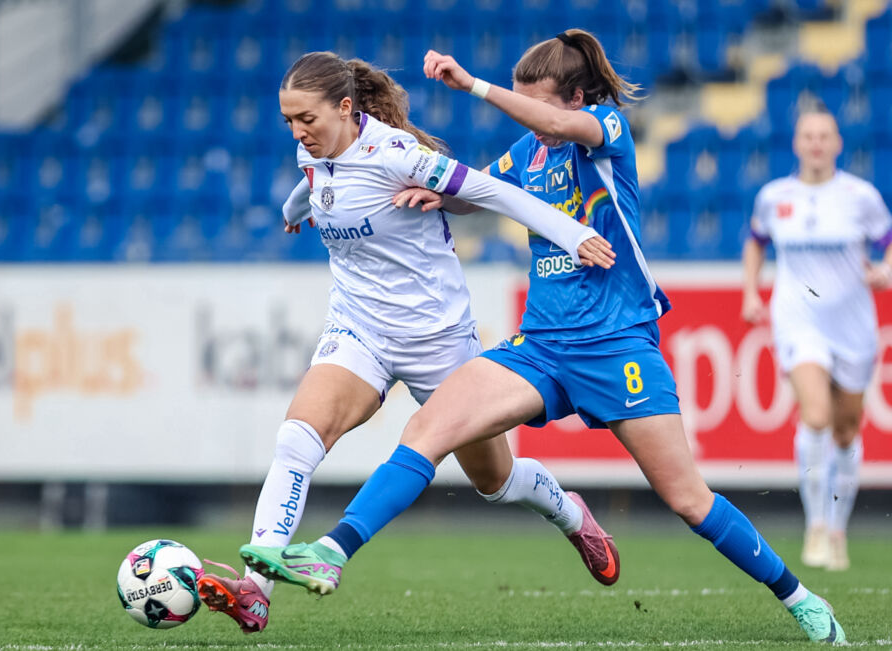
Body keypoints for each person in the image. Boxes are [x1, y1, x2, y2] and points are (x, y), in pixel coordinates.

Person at [240, 31, 848, 645]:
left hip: (617, 348)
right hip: (541, 348)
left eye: (542, 109)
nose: (534, 124)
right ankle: (332, 551)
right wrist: (434, 190)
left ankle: (798, 595)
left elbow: (554, 137)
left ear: (576, 99)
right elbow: (482, 189)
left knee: (689, 500)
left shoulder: (606, 131)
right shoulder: (531, 153)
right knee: (426, 432)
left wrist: (476, 86)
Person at [197, 51, 619, 634]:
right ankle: (256, 590)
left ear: (345, 108)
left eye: (307, 119)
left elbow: (496, 194)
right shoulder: (311, 150)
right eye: (288, 121)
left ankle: (571, 514)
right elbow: (310, 183)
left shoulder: (397, 155)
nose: (297, 133)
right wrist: (293, 210)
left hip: (438, 340)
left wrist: (574, 234)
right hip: (359, 330)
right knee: (297, 438)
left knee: (494, 482)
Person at [742, 107, 892, 572]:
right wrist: (751, 291)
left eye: (824, 135)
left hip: (852, 326)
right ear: (797, 143)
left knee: (847, 429)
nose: (816, 143)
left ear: (838, 143)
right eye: (808, 135)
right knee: (816, 414)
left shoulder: (859, 196)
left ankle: (837, 528)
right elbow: (755, 239)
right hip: (798, 319)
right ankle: (815, 526)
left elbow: (887, 240)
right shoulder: (775, 196)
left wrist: (886, 270)